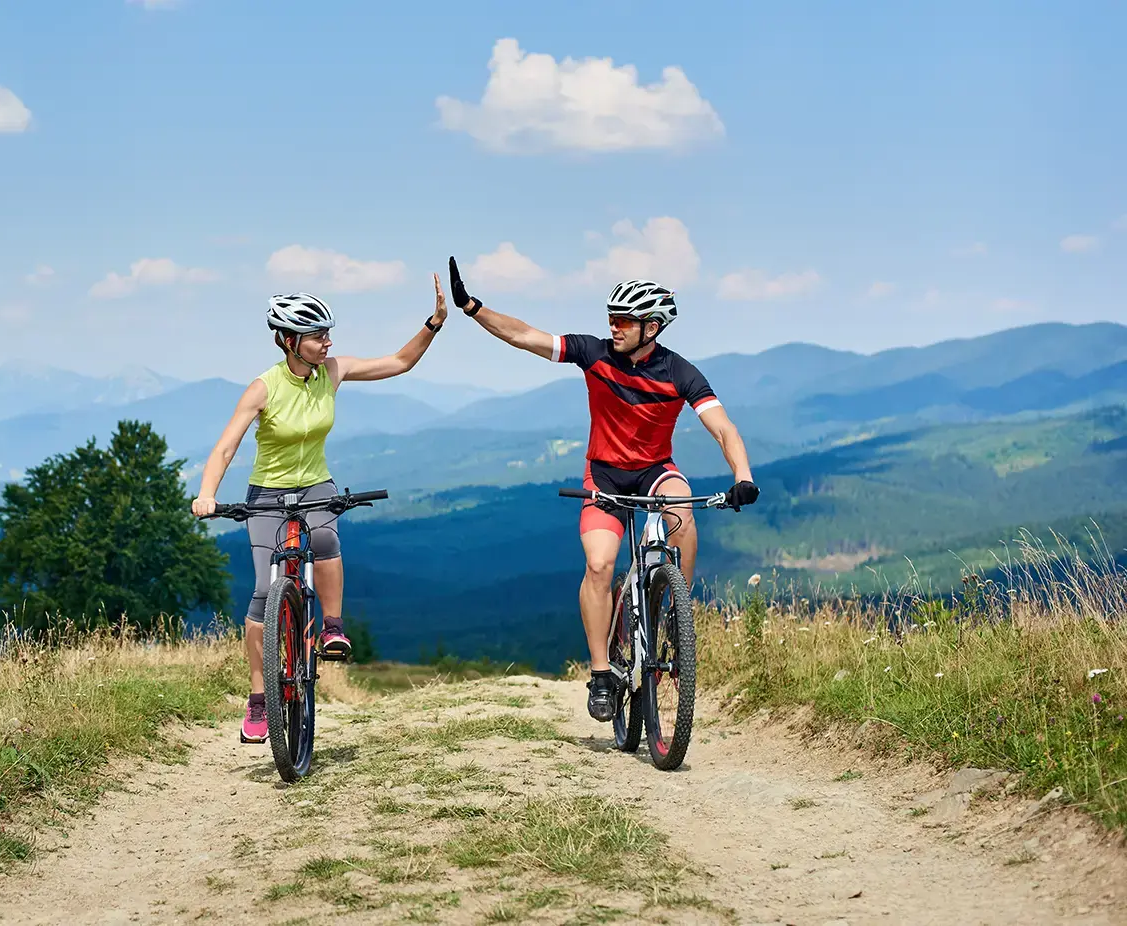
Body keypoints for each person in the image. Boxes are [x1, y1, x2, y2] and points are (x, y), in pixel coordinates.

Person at [444, 257, 759, 723]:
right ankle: (600, 673)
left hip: (655, 469)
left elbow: (723, 428)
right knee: (599, 565)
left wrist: (743, 477)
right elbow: (525, 336)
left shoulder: (680, 373)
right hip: (605, 476)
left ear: (651, 327)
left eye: (623, 321)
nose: (612, 327)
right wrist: (473, 307)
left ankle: (677, 613)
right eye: (610, 318)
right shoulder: (594, 354)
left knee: (682, 513)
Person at [193, 279, 450, 743]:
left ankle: (332, 627)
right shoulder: (263, 387)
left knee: (327, 539)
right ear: (289, 341)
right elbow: (226, 445)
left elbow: (399, 362)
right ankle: (259, 698)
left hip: (316, 486)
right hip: (267, 494)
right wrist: (207, 493)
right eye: (317, 335)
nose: (327, 341)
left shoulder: (332, 371)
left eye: (327, 333)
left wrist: (432, 324)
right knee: (261, 591)